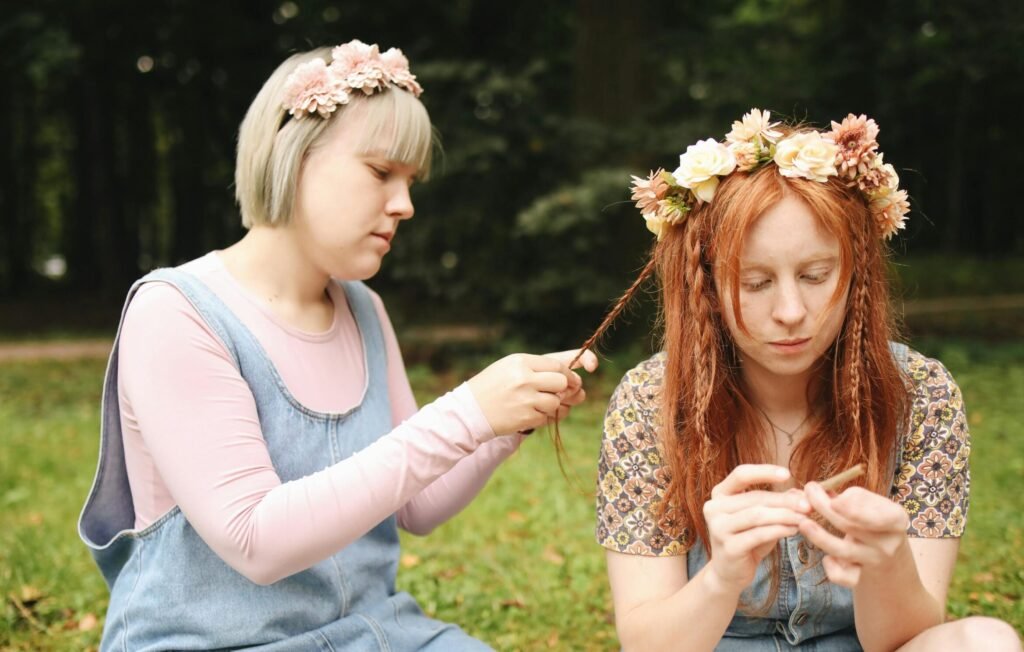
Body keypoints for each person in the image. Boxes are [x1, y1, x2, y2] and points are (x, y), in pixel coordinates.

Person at [78, 40, 597, 651]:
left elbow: (420, 505)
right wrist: (467, 412)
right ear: (291, 156)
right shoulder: (176, 313)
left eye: (410, 182)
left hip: (373, 634)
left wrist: (508, 421)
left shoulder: (362, 308)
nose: (403, 205)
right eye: (381, 172)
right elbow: (256, 541)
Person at [588, 110, 1022, 650]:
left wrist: (886, 567)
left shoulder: (922, 395)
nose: (791, 311)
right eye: (755, 281)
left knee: (986, 640)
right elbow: (647, 643)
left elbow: (907, 640)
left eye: (816, 276)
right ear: (707, 288)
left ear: (855, 270)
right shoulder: (651, 402)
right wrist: (722, 576)